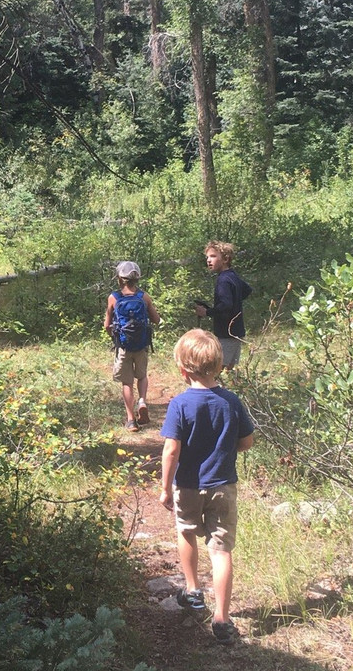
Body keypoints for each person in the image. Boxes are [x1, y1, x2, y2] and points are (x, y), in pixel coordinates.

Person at [159, 329, 255, 645]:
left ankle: (193, 591)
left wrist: (165, 487)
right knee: (221, 549)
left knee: (186, 531)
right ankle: (222, 619)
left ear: (182, 370)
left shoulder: (180, 404)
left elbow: (171, 450)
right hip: (223, 484)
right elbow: (247, 442)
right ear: (219, 365)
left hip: (188, 484)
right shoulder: (231, 401)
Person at [103, 261, 161, 432]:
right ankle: (142, 401)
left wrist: (115, 338)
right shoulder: (144, 297)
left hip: (123, 346)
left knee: (127, 382)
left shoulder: (114, 298)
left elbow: (107, 325)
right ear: (137, 278)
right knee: (141, 376)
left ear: (119, 278)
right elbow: (156, 320)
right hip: (141, 345)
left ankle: (131, 421)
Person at [193, 241, 252, 370]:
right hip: (236, 331)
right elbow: (247, 290)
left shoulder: (223, 280)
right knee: (229, 369)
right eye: (207, 257)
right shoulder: (232, 275)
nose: (209, 260)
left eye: (213, 256)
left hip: (226, 333)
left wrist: (206, 312)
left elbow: (226, 305)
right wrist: (235, 302)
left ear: (225, 259)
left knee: (218, 369)